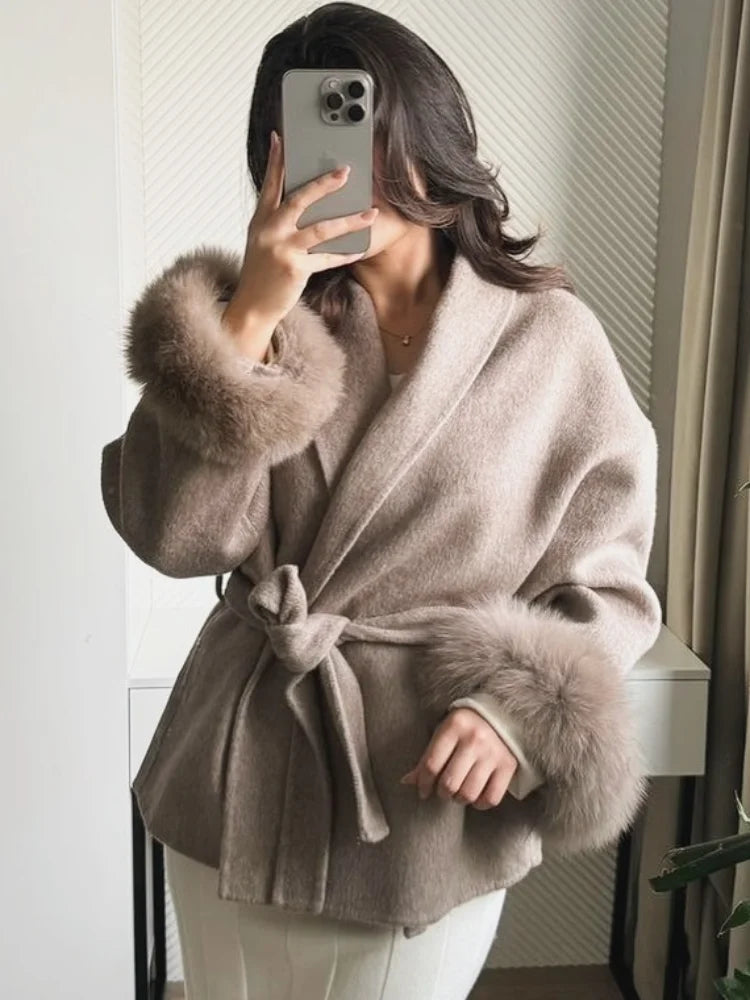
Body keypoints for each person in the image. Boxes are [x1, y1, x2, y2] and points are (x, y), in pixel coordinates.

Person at [101, 4, 662, 998]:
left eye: (365, 123)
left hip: (419, 801)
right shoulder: (261, 326)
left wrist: (516, 714)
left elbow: (609, 587)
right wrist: (249, 317)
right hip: (241, 777)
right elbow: (174, 537)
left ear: (429, 138)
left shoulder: (551, 341)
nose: (347, 164)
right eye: (318, 131)